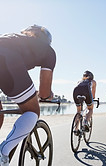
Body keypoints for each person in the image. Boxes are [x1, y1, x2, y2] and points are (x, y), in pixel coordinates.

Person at [0, 24, 56, 166]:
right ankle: (2, 153)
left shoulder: (12, 37)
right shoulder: (48, 51)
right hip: (8, 62)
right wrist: (46, 95)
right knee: (32, 112)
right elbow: (44, 92)